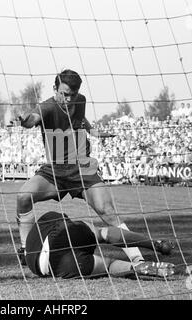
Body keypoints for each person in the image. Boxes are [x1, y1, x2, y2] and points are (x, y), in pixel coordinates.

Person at [14, 69, 148, 265]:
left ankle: (138, 260)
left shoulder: (81, 100)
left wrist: (94, 131)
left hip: (83, 168)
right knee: (23, 197)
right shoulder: (46, 108)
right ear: (55, 89)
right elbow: (32, 119)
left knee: (108, 212)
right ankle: (27, 251)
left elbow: (80, 120)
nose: (68, 99)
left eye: (72, 95)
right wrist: (24, 121)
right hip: (55, 171)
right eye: (64, 94)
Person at [25, 211, 175, 279]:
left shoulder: (30, 253)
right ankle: (156, 245)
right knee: (104, 233)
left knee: (109, 266)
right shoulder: (51, 216)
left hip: (47, 266)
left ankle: (135, 268)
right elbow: (65, 223)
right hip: (61, 234)